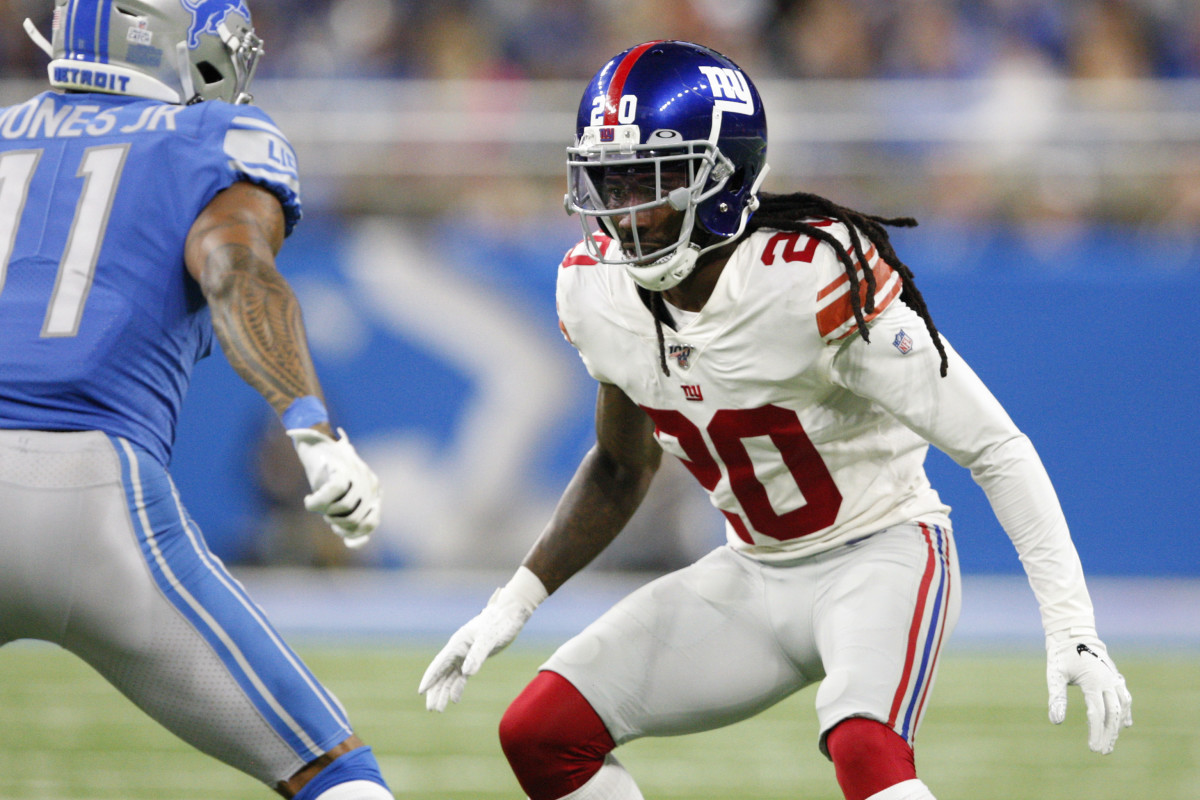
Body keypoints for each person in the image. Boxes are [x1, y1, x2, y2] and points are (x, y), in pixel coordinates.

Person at [419, 40, 1133, 800]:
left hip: (881, 553)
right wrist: (513, 601)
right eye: (609, 182)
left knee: (866, 748)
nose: (625, 212)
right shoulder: (598, 292)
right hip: (754, 572)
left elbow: (995, 447)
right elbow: (623, 464)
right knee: (539, 734)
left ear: (721, 177)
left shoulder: (812, 279)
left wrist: (1071, 623)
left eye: (650, 183)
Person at [0, 2, 391, 799]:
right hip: (91, 495)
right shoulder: (208, 140)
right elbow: (234, 271)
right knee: (337, 775)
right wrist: (311, 428)